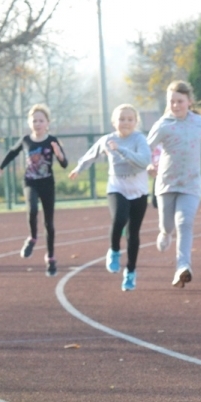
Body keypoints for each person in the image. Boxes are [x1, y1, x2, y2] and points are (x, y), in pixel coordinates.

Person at [68, 104, 151, 290]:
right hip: (117, 187)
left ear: (136, 122)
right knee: (119, 218)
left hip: (138, 190)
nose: (125, 123)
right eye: (121, 119)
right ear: (114, 122)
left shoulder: (139, 139)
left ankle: (130, 272)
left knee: (133, 234)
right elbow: (91, 155)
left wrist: (121, 150)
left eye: (129, 119)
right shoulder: (107, 140)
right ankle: (114, 250)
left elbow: (144, 161)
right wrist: (79, 168)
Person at [146, 80, 201, 287]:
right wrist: (148, 165)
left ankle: (183, 267)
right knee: (167, 225)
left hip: (190, 185)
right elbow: (146, 147)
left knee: (184, 223)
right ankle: (164, 233)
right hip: (166, 183)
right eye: (172, 101)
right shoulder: (163, 124)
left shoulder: (200, 122)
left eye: (180, 101)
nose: (175, 105)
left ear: (189, 101)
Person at [0, 104, 66, 275]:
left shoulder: (52, 140)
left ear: (47, 123)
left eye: (41, 121)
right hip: (30, 182)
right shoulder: (26, 140)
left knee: (49, 223)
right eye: (34, 121)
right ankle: (32, 238)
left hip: (47, 184)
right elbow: (11, 153)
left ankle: (51, 258)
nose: (37, 124)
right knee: (32, 210)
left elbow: (64, 164)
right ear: (29, 123)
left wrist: (59, 155)